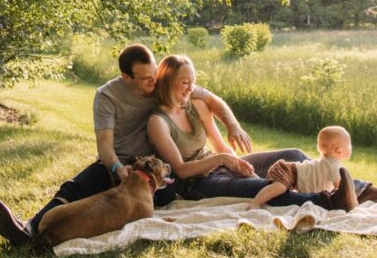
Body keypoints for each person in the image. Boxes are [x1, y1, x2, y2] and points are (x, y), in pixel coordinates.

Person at [0, 42, 253, 248]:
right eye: (146, 78)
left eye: (154, 75)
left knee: (164, 196)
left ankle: (75, 227)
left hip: (153, 166)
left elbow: (212, 99)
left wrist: (233, 125)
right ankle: (29, 229)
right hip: (118, 160)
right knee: (76, 187)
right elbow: (104, 145)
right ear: (126, 77)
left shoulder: (160, 85)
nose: (153, 82)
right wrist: (116, 168)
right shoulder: (108, 96)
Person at [147, 55, 360, 210]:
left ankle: (355, 188)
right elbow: (182, 171)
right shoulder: (158, 122)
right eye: (185, 83)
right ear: (167, 82)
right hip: (197, 183)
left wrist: (238, 163)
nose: (191, 88)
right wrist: (223, 159)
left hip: (220, 166)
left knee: (294, 155)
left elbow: (220, 146)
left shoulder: (197, 105)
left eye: (193, 82)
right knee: (271, 187)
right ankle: (330, 200)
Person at [248, 125, 377, 211]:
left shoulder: (328, 161)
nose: (352, 147)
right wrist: (355, 208)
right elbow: (339, 187)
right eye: (349, 145)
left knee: (283, 185)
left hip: (296, 174)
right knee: (278, 187)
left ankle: (366, 192)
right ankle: (256, 202)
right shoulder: (332, 166)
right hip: (288, 171)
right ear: (338, 151)